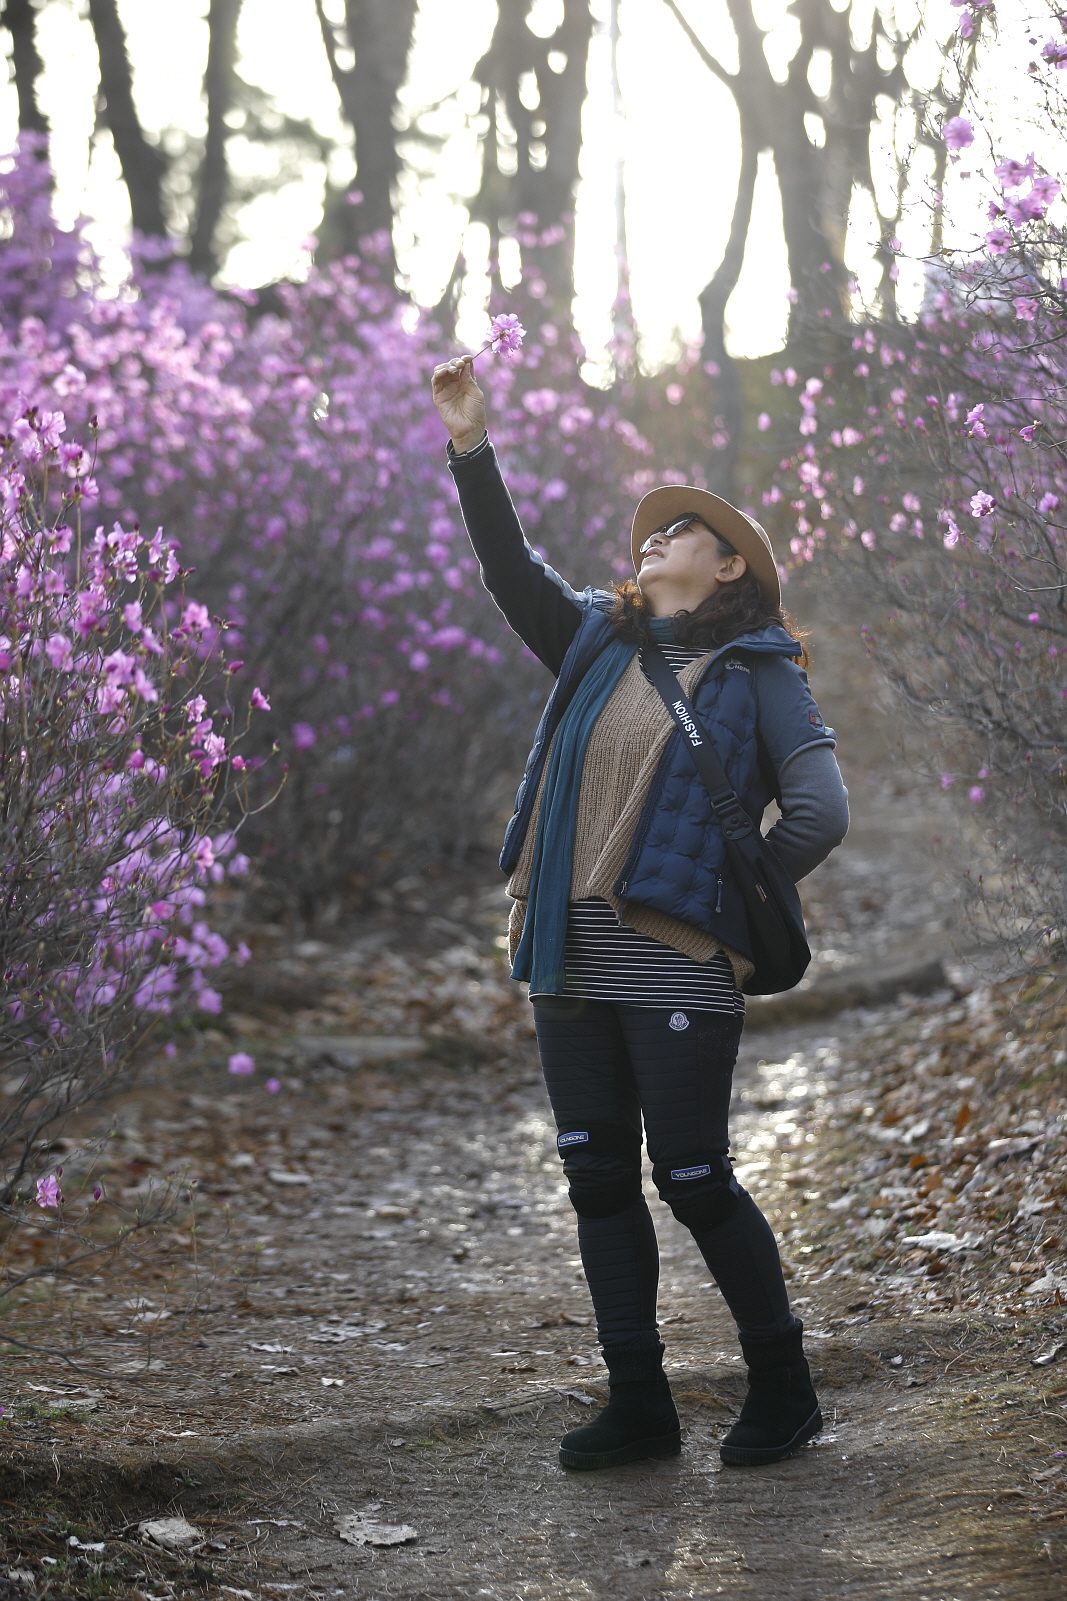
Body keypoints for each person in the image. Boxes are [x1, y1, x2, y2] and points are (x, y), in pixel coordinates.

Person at [431, 354, 849, 1473]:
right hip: (564, 951)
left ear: (728, 565)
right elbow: (508, 566)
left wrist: (721, 905)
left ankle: (785, 1387)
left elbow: (819, 809)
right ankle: (638, 1404)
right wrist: (471, 444)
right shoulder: (592, 639)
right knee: (598, 1176)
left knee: (693, 1175)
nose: (654, 535)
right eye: (650, 528)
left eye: (682, 529)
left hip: (674, 962)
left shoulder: (760, 670)